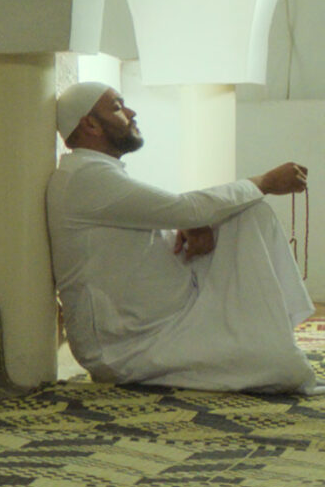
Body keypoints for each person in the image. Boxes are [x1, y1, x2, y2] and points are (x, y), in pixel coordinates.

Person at [45, 81, 317, 393]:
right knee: (284, 368)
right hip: (133, 344)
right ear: (91, 125)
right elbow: (184, 207)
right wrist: (264, 182)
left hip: (175, 315)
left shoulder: (94, 171)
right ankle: (267, 343)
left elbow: (162, 214)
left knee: (251, 214)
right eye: (118, 107)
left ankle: (271, 334)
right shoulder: (86, 176)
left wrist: (188, 225)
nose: (131, 113)